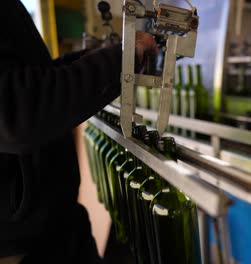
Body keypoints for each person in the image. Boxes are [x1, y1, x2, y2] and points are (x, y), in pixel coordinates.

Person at [0, 0, 157, 263]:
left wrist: (92, 59)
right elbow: (15, 110)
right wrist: (121, 59)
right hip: (25, 249)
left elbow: (33, 78)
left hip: (56, 228)